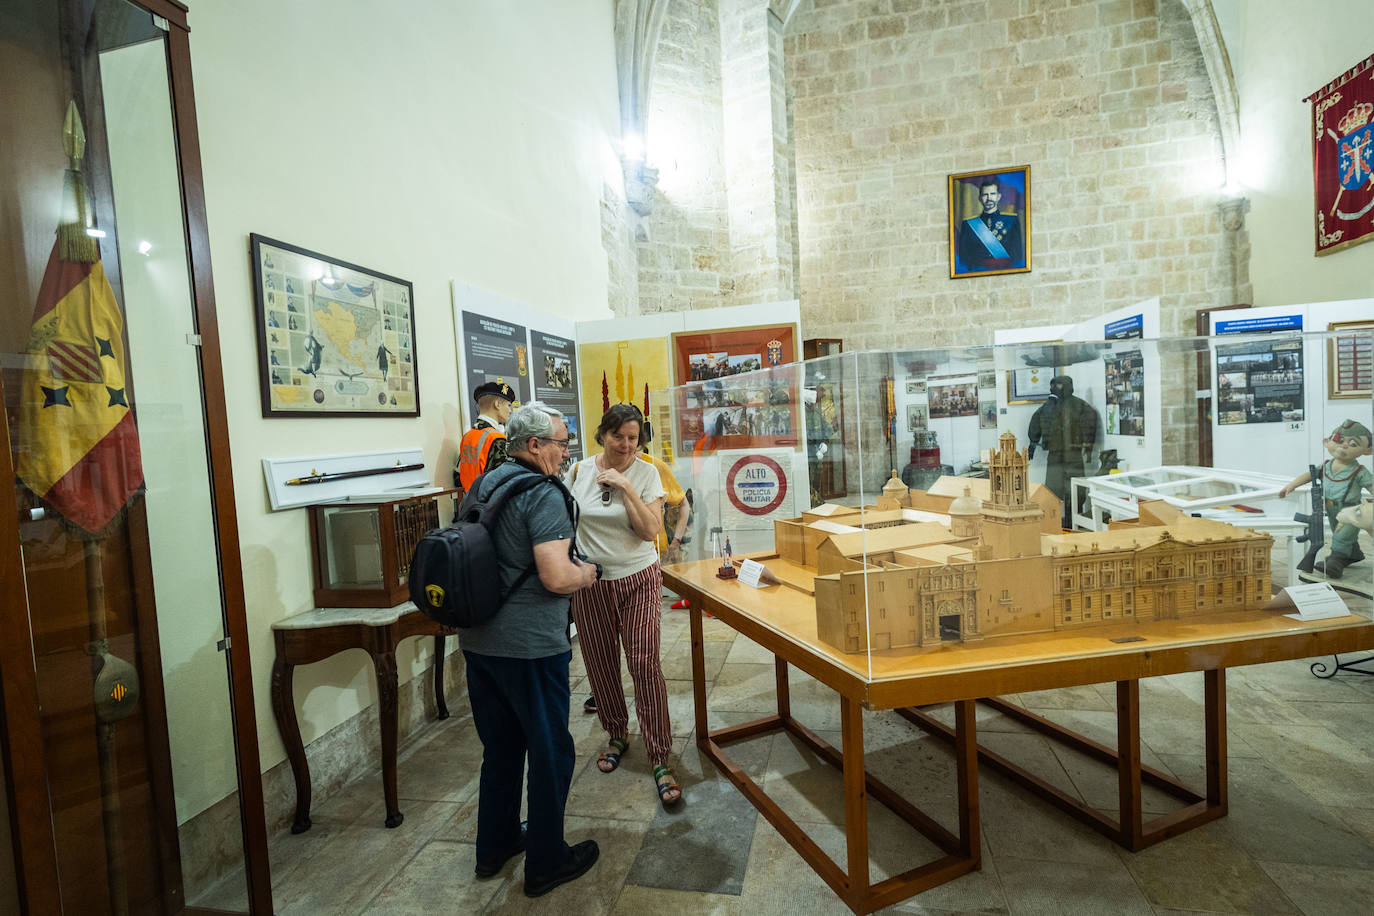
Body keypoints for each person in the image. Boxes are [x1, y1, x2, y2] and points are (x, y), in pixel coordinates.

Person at [459, 404, 602, 897]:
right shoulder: (543, 492)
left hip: (479, 641)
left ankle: (493, 846)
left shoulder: (487, 483)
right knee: (551, 752)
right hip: (530, 648)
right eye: (562, 442)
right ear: (535, 445)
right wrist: (589, 572)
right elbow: (556, 575)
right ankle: (546, 861)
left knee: (500, 749)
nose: (567, 452)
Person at [566, 404, 682, 807]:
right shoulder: (579, 472)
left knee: (645, 662)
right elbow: (565, 520)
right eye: (619, 437)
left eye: (633, 438)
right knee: (599, 661)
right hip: (590, 583)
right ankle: (616, 732)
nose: (627, 445)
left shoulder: (647, 473)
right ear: (603, 435)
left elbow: (649, 530)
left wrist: (626, 486)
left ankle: (659, 755)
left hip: (638, 579)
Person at [1278, 419, 1373, 579]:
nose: (1343, 446)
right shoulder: (1326, 466)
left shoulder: (1359, 471)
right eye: (1338, 440)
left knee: (1341, 535)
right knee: (1342, 534)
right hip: (1330, 508)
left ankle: (1335, 563)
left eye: (1353, 443)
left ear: (1368, 450)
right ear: (1327, 442)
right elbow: (1310, 475)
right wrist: (1291, 486)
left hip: (1350, 511)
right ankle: (1353, 554)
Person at [1027, 375, 1098, 528]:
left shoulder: (1078, 406)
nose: (1054, 388)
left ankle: (1075, 523)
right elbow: (1036, 421)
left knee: (1076, 492)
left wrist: (1089, 445)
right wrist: (1032, 442)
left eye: (1058, 385)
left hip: (1073, 455)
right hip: (1056, 456)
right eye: (1053, 385)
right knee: (1053, 492)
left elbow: (1090, 423)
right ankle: (1057, 524)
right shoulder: (1050, 406)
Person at [456, 381, 515, 493]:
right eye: (508, 405)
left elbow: (457, 476)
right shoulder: (496, 438)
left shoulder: (467, 436)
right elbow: (503, 483)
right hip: (489, 505)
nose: (510, 410)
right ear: (497, 404)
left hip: (468, 502)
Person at [956, 176, 1024, 272]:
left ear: (998, 197)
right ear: (980, 198)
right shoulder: (968, 225)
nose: (989, 198)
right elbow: (964, 259)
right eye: (985, 195)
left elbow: (1017, 257)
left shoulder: (1012, 220)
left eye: (992, 194)